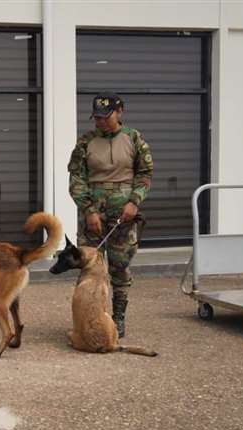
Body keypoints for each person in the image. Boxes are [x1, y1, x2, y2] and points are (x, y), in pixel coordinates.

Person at [68, 92, 153, 338]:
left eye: (105, 117)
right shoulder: (85, 142)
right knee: (88, 269)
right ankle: (86, 316)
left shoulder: (134, 138)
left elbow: (145, 174)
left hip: (123, 214)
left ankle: (117, 318)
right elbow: (76, 178)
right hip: (93, 214)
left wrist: (134, 202)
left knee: (120, 267)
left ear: (119, 112)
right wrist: (88, 210)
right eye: (96, 118)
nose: (100, 122)